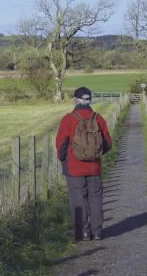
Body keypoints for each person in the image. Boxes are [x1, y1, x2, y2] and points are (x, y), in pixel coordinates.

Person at [56, 86, 112, 241]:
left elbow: (61, 144)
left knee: (77, 199)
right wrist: (95, 155)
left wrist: (64, 159)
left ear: (76, 100)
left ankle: (83, 233)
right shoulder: (98, 119)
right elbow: (107, 143)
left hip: (74, 167)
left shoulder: (69, 119)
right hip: (94, 167)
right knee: (95, 198)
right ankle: (97, 232)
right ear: (90, 100)